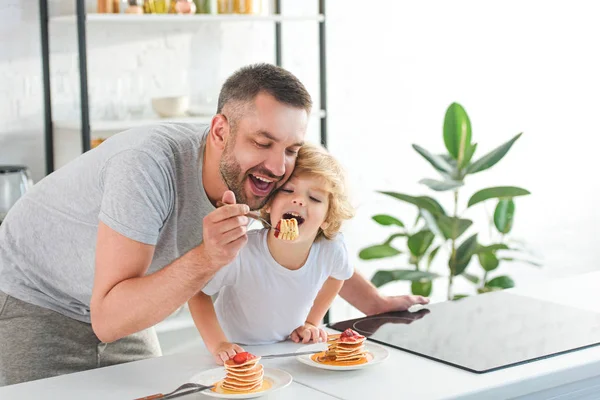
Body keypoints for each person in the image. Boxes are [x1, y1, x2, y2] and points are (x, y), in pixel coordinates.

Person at [0, 63, 427, 386]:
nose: (278, 166)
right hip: (34, 296)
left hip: (118, 305)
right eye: (263, 143)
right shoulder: (147, 167)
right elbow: (109, 320)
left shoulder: (259, 176)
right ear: (220, 130)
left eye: (291, 148)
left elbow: (317, 245)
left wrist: (371, 302)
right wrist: (207, 258)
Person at [191, 143, 354, 364]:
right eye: (288, 190)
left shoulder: (331, 249)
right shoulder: (242, 251)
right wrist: (218, 343)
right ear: (268, 204)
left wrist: (312, 322)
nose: (298, 200)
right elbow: (196, 291)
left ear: (327, 218)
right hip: (234, 352)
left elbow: (338, 276)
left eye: (314, 198)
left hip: (286, 350)